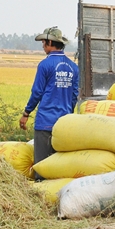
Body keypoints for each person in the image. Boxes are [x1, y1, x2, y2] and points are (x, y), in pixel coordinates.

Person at [19, 26, 79, 178]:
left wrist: (26, 112)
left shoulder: (45, 65)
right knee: (59, 165)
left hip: (45, 122)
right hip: (64, 124)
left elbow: (37, 92)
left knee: (42, 166)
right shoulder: (73, 67)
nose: (42, 45)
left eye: (44, 42)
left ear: (50, 43)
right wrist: (68, 114)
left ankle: (42, 195)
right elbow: (74, 95)